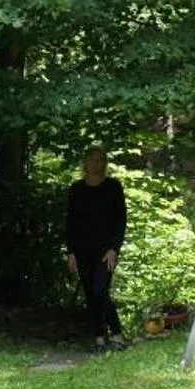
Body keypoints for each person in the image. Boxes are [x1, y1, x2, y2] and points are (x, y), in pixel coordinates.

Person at [65, 148, 127, 347]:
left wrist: (114, 249)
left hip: (105, 250)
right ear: (85, 163)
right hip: (82, 250)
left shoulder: (113, 187)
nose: (96, 164)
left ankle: (116, 333)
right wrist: (71, 252)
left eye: (100, 160)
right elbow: (71, 223)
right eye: (92, 160)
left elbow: (120, 221)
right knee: (90, 293)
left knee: (101, 290)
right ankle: (99, 336)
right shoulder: (76, 190)